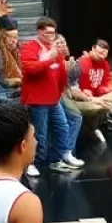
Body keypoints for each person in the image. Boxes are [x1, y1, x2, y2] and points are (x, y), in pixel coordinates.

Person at [20, 16, 81, 177]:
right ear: (39, 32)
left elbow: (61, 73)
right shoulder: (30, 47)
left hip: (53, 98)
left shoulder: (56, 51)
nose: (50, 36)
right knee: (39, 134)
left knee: (62, 127)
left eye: (53, 33)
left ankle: (57, 159)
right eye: (47, 33)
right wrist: (50, 58)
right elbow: (31, 69)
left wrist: (60, 90)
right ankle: (32, 163)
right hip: (37, 100)